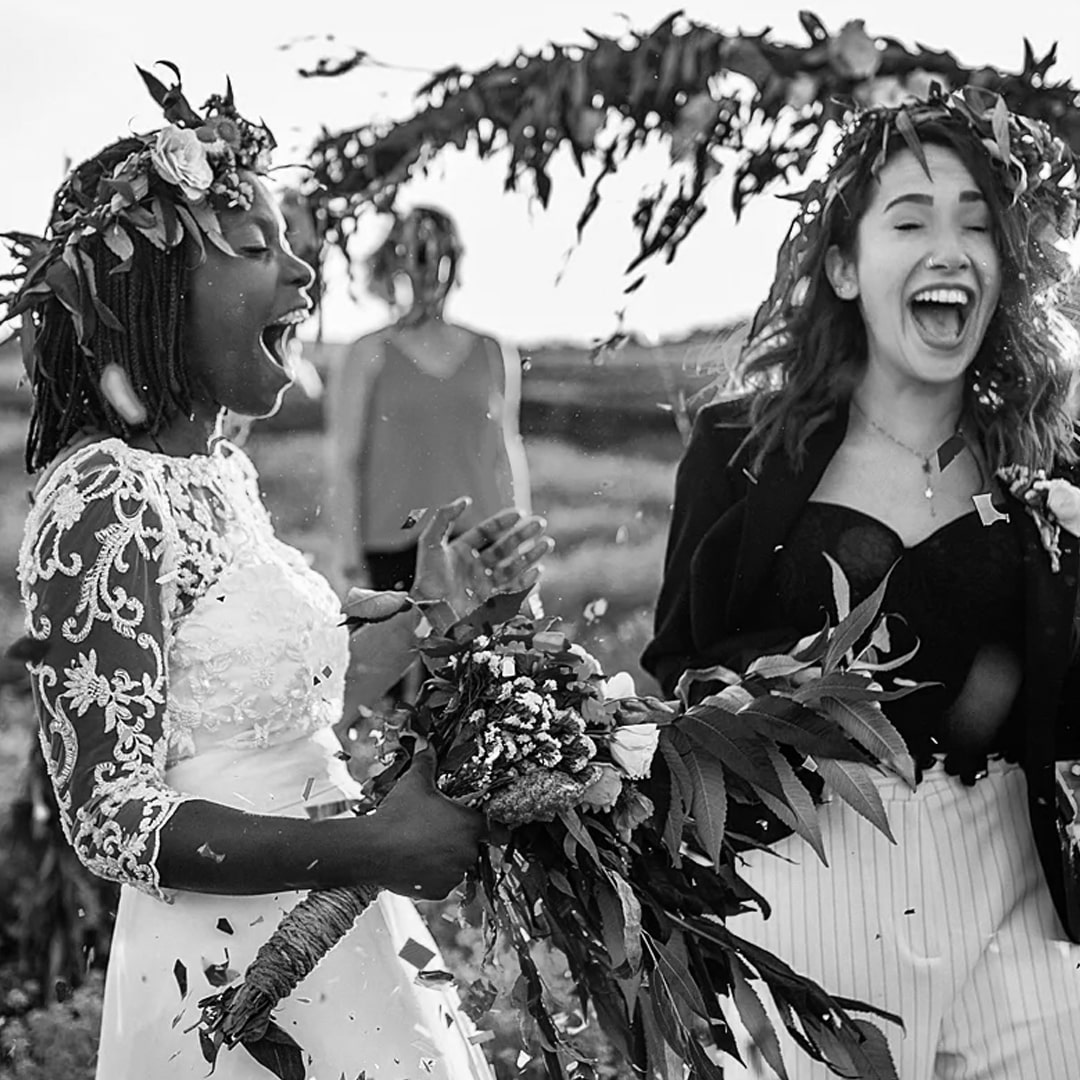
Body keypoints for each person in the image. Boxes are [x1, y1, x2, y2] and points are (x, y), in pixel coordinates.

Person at [6, 69, 550, 1079]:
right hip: (220, 981)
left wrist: (440, 614)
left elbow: (287, 698)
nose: (302, 275)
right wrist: (374, 851)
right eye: (256, 249)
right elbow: (114, 820)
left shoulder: (217, 473)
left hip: (335, 937)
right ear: (150, 295)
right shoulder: (100, 503)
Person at [643, 87, 1080, 1078]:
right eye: (911, 218)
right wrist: (786, 684)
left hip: (1010, 887)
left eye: (979, 223)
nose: (951, 247)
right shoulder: (739, 452)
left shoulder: (1057, 467)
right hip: (805, 876)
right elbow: (674, 674)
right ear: (843, 266)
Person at [325, 206, 532, 596]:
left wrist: (518, 544)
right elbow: (347, 461)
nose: (433, 269)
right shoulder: (367, 353)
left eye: (444, 256)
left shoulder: (492, 351)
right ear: (394, 263)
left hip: (482, 547)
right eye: (419, 254)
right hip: (391, 548)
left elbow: (505, 453)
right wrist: (350, 564)